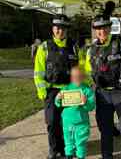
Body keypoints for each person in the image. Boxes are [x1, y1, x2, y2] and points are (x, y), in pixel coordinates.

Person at [85, 1, 121, 159]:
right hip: (102, 95)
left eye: (104, 27)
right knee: (106, 131)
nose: (101, 31)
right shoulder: (91, 50)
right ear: (95, 31)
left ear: (109, 27)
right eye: (98, 28)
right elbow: (88, 73)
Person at [34, 14, 79, 159]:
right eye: (58, 28)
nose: (60, 31)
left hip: (70, 89)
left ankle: (68, 149)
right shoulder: (44, 47)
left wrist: (83, 86)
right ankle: (54, 150)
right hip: (51, 90)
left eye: (64, 28)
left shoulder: (74, 47)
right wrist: (42, 91)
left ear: (67, 30)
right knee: (52, 122)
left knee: (69, 122)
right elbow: (38, 71)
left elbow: (81, 69)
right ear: (53, 29)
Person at [55, 66, 95, 159]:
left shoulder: (87, 90)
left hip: (81, 123)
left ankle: (81, 156)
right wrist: (57, 99)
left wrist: (86, 102)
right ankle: (69, 156)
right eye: (74, 76)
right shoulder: (66, 88)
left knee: (80, 143)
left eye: (79, 76)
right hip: (67, 122)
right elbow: (58, 104)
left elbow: (91, 106)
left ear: (83, 77)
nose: (76, 78)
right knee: (68, 142)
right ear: (71, 77)